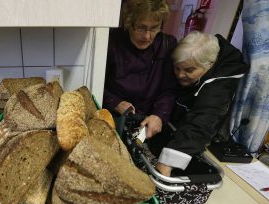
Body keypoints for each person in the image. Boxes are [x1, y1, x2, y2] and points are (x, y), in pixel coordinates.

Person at [155, 31, 250, 176]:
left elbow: (203, 119)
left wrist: (168, 162)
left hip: (197, 138)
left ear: (210, 65)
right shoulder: (188, 64)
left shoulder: (219, 86)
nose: (180, 75)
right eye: (177, 68)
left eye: (189, 70)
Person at [103, 0, 178, 139]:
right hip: (114, 119)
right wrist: (114, 103)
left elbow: (169, 89)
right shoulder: (111, 41)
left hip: (149, 121)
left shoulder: (167, 45)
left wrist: (159, 115)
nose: (147, 36)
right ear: (128, 23)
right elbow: (97, 83)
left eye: (154, 28)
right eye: (141, 27)